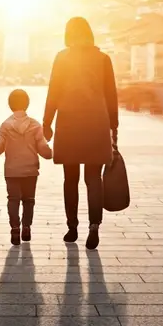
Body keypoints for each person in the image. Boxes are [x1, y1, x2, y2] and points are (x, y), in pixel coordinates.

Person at [43, 17, 119, 251]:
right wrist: (113, 128)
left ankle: (72, 227)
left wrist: (47, 122)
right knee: (93, 178)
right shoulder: (103, 59)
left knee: (71, 178)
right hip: (97, 122)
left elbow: (53, 91)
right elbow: (111, 95)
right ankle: (94, 226)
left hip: (69, 122)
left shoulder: (62, 57)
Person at [0, 89, 52, 246]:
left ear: (9, 105)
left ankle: (14, 229)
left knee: (13, 200)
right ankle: (26, 227)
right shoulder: (35, 125)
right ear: (27, 104)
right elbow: (44, 150)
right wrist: (55, 152)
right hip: (31, 170)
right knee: (29, 200)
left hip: (12, 171)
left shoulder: (5, 126)